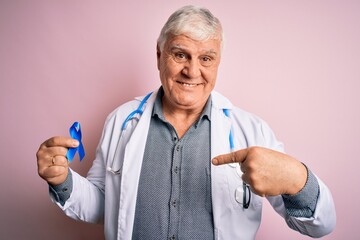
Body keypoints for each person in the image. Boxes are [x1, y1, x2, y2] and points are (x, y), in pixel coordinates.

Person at [36, 5, 336, 240]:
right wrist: (63, 181)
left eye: (206, 58)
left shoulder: (250, 132)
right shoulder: (121, 121)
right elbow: (105, 206)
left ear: (218, 62)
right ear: (159, 55)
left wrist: (297, 178)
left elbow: (320, 225)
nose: (192, 71)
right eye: (180, 54)